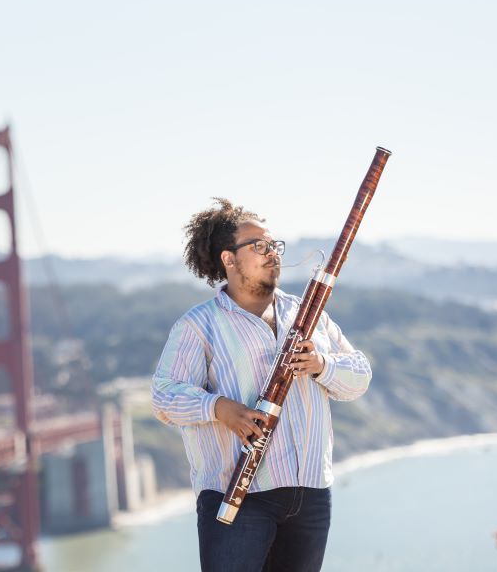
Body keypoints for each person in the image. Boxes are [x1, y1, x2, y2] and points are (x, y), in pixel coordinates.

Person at [152, 198, 372, 572]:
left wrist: (321, 364)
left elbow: (359, 376)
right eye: (259, 246)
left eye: (274, 246)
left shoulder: (309, 313)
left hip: (311, 494)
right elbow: (164, 397)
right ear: (229, 259)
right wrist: (220, 408)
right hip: (237, 496)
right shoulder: (198, 325)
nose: (273, 254)